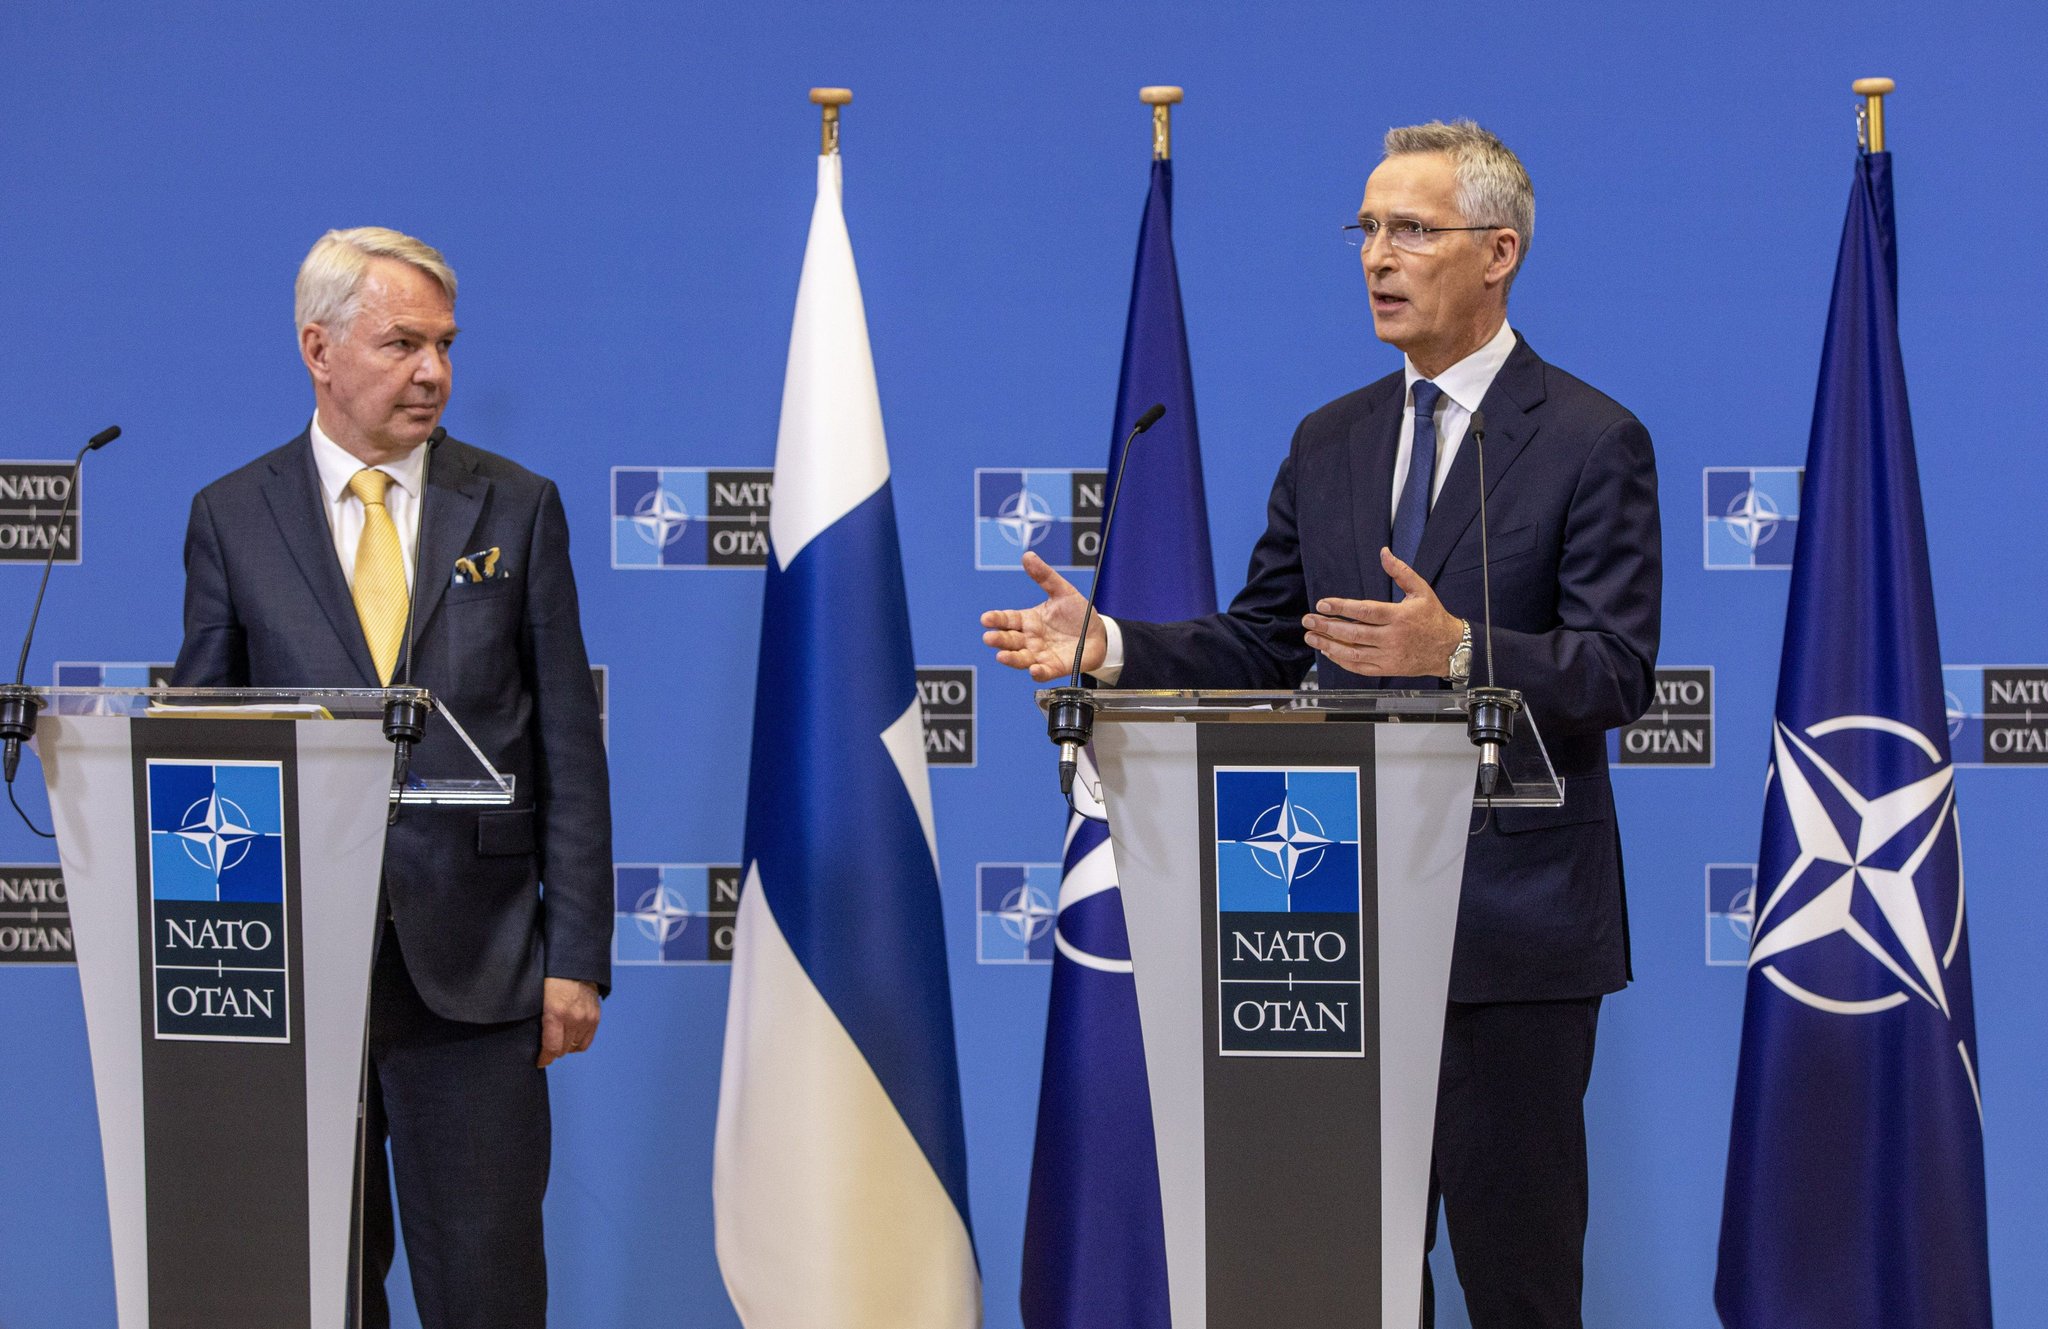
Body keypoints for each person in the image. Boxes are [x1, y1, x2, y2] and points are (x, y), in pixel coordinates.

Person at [980, 120, 1660, 1328]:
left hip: (1511, 930)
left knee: (1516, 1274)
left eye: (1411, 230)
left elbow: (1614, 670)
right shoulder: (1330, 439)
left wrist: (1451, 648)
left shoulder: (1588, 440)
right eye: (1367, 230)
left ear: (1497, 252)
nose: (1376, 258)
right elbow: (1261, 638)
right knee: (1349, 1275)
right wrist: (1116, 646)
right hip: (1329, 925)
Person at [172, 227, 613, 1329]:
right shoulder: (231, 517)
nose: (433, 373)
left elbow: (566, 740)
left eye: (445, 346)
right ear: (319, 350)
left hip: (480, 973)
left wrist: (578, 958)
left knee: (489, 1290)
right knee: (315, 1283)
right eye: (402, 343)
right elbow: (199, 751)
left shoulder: (515, 507)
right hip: (291, 979)